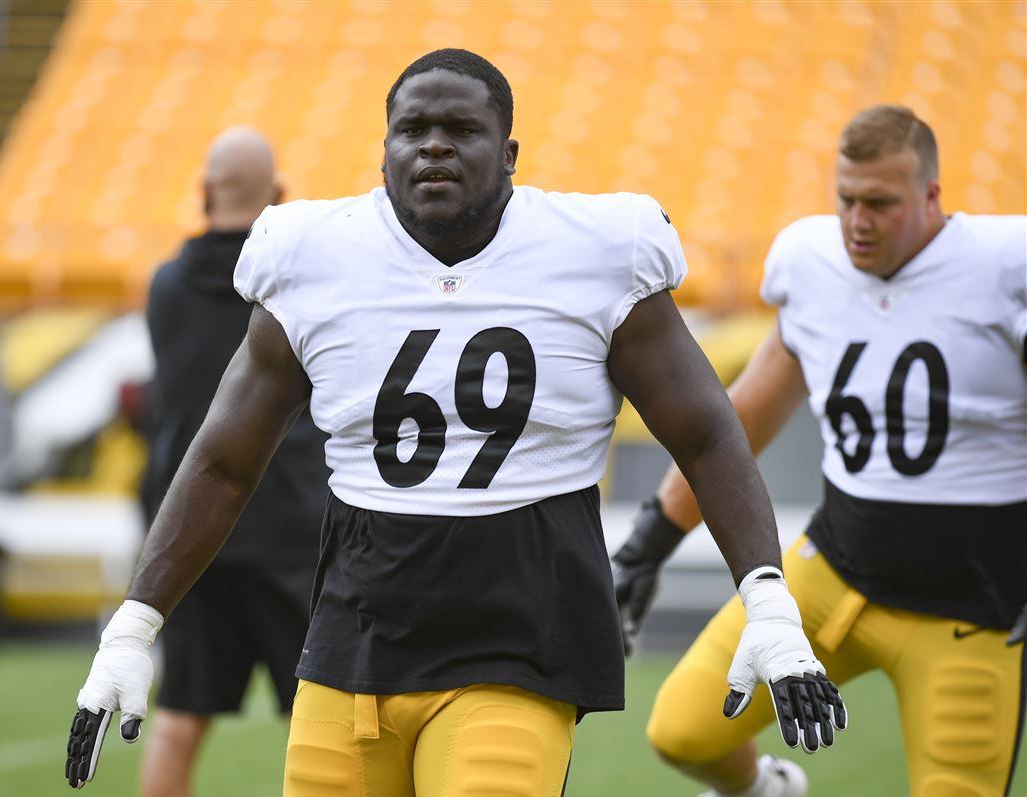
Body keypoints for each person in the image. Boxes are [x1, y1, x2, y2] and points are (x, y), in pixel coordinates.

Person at [65, 49, 845, 795]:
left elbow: (706, 433)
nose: (434, 146)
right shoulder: (313, 256)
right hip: (353, 633)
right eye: (412, 130)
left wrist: (767, 599)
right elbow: (221, 461)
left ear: (509, 153)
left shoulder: (596, 252)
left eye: (462, 130)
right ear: (383, 153)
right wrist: (134, 625)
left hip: (519, 632)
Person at [612, 104, 1026, 797]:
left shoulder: (1002, 267)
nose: (857, 221)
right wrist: (650, 538)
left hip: (968, 609)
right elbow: (739, 418)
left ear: (932, 196)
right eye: (846, 200)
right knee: (680, 729)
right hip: (833, 574)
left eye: (880, 203)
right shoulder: (812, 261)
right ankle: (769, 789)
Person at [136, 127, 331, 797]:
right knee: (317, 721)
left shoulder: (166, 288)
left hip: (192, 534)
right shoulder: (296, 289)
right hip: (292, 530)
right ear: (278, 196)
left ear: (203, 192)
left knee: (178, 718)